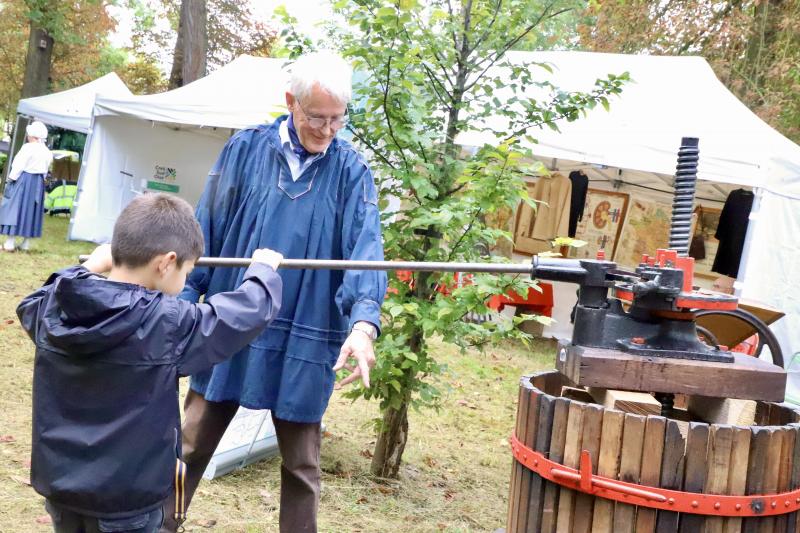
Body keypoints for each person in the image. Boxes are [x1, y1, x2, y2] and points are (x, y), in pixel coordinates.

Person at [159, 50, 387, 533]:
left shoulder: (351, 171)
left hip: (306, 333)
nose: (327, 131)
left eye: (337, 120)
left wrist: (364, 324)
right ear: (291, 102)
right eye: (317, 117)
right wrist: (179, 308)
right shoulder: (245, 149)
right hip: (230, 324)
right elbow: (206, 232)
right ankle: (158, 525)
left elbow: (366, 250)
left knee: (302, 466)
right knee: (190, 446)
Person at [16, 193, 284, 533]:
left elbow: (32, 302)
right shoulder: (166, 322)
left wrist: (87, 267)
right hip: (128, 504)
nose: (186, 280)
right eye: (187, 270)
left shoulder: (56, 304)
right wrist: (261, 272)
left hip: (61, 490)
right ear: (166, 262)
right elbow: (240, 315)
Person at [0, 120, 53, 251]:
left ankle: (10, 242)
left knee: (14, 208)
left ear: (33, 135)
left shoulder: (27, 148)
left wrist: (11, 179)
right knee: (31, 211)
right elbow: (45, 171)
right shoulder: (47, 152)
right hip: (38, 183)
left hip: (24, 180)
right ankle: (25, 243)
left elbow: (18, 165)